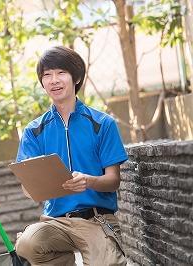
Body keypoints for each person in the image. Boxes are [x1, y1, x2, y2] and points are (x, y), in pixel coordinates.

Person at [14, 46, 128, 266]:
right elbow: (27, 187)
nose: (54, 80)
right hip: (56, 222)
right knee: (28, 243)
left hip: (96, 219)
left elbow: (113, 181)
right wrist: (33, 188)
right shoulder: (34, 131)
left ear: (75, 77)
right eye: (47, 75)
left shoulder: (102, 124)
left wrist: (88, 181)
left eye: (60, 73)